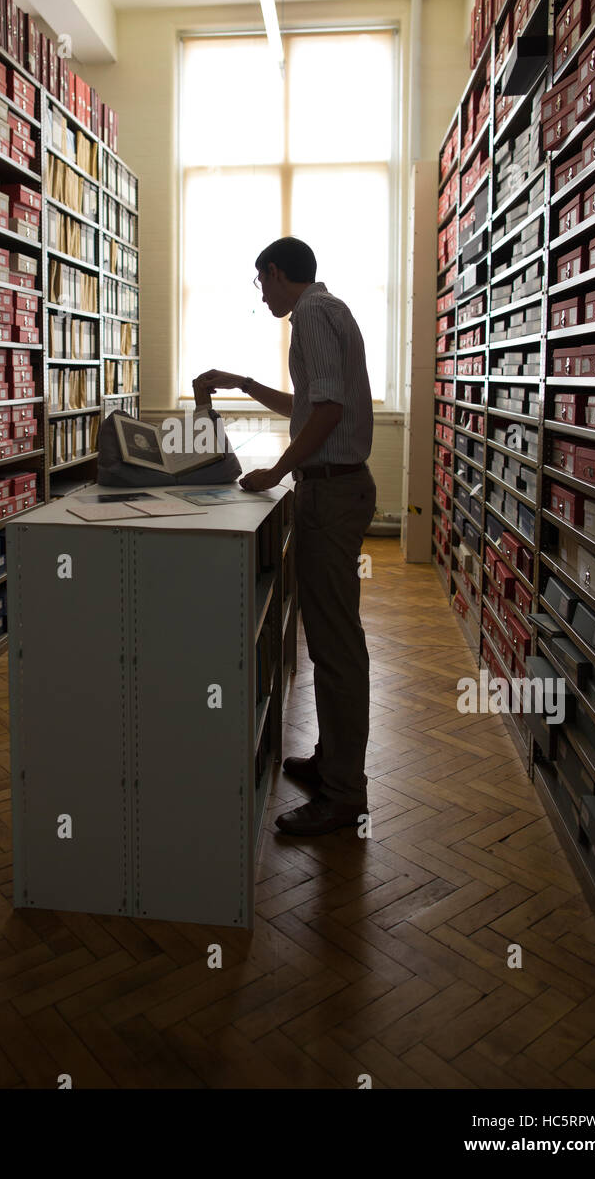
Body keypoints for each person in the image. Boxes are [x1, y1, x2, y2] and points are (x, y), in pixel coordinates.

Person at [195, 237, 376, 837]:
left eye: (261, 282)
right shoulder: (330, 310)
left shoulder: (313, 316)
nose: (263, 294)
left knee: (336, 646)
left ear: (274, 273)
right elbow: (308, 404)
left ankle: (344, 794)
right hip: (333, 488)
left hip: (331, 492)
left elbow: (325, 413)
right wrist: (246, 382)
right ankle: (333, 764)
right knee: (329, 638)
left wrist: (276, 471)